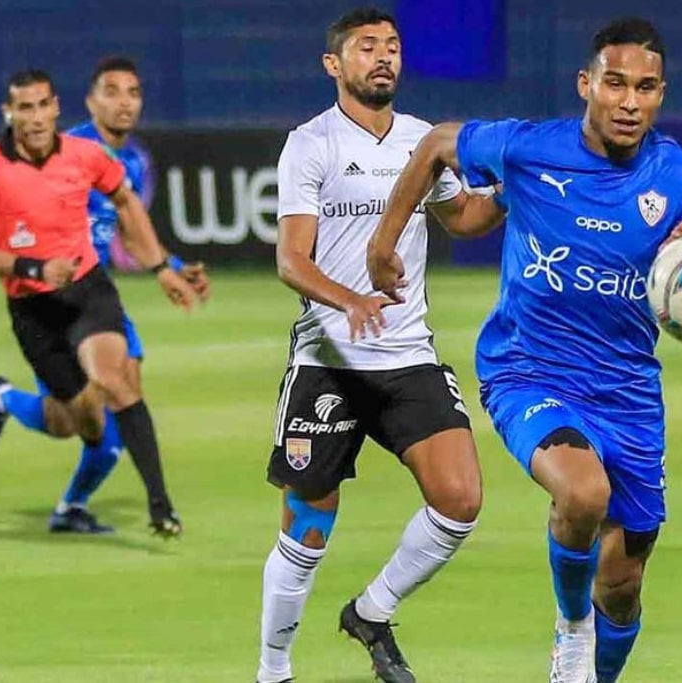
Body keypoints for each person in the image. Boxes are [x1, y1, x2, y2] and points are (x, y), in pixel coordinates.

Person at [369, 17, 682, 683]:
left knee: (623, 583)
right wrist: (384, 242)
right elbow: (437, 144)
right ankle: (571, 626)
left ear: (661, 95)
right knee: (583, 494)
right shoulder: (530, 148)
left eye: (644, 88)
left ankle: (592, 664)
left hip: (628, 392)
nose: (628, 102)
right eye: (614, 84)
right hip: (528, 369)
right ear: (586, 85)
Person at [256, 8, 504, 683]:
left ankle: (372, 610)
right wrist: (351, 299)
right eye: (367, 47)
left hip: (407, 357)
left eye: (392, 46)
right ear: (333, 64)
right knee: (306, 531)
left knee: (460, 499)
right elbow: (291, 260)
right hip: (328, 363)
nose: (384, 57)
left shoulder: (423, 141)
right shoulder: (310, 144)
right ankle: (273, 670)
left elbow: (464, 216)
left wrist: (515, 190)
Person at [0, 58, 211, 534]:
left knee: (121, 394)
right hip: (48, 300)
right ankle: (4, 397)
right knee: (68, 422)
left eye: (133, 93)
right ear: (89, 101)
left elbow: (126, 234)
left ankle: (77, 507)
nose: (125, 103)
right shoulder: (68, 150)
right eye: (112, 92)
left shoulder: (132, 161)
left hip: (94, 297)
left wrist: (171, 267)